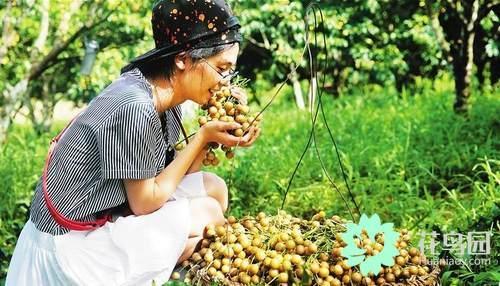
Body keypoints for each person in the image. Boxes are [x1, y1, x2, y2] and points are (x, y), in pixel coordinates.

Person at [5, 0, 260, 285]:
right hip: (66, 245)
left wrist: (217, 137)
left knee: (214, 187)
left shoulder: (162, 93)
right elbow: (145, 202)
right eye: (222, 69)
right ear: (184, 59)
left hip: (103, 214)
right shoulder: (136, 107)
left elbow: (168, 174)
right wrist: (202, 138)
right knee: (207, 213)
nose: (226, 82)